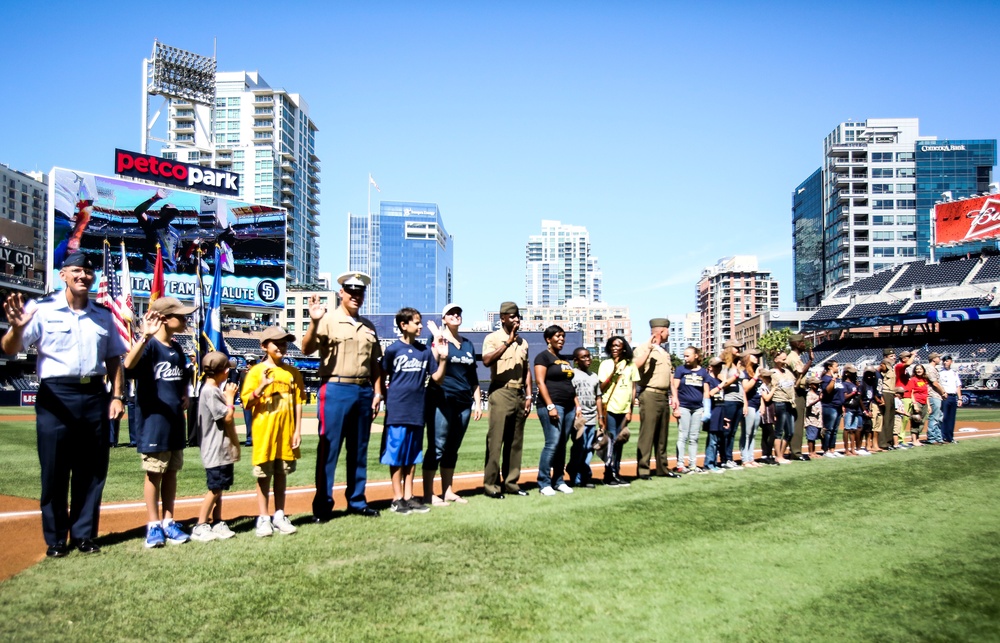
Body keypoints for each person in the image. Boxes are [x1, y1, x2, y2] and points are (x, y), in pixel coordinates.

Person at [1, 253, 126, 557]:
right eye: (77, 271)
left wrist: (117, 395)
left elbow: (114, 359)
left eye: (88, 272)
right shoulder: (41, 309)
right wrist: (16, 328)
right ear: (63, 275)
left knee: (92, 470)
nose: (83, 276)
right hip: (56, 395)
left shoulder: (103, 315)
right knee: (55, 469)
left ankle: (84, 535)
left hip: (95, 394)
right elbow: (10, 347)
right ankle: (56, 538)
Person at [304, 272, 385, 520]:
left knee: (359, 449)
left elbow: (375, 363)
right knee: (329, 448)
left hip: (363, 391)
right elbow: (307, 349)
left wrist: (378, 392)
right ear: (341, 293)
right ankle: (323, 505)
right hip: (336, 388)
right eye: (351, 292)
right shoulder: (327, 319)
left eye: (359, 293)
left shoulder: (369, 327)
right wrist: (314, 321)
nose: (355, 297)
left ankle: (357, 501)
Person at [124, 297, 196, 548]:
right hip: (154, 422)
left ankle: (168, 521)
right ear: (164, 318)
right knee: (154, 473)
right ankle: (153, 525)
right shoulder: (150, 346)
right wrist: (144, 337)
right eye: (182, 316)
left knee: (172, 472)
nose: (186, 320)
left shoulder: (176, 349)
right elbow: (127, 365)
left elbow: (182, 376)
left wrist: (185, 393)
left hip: (175, 421)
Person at [380, 308, 447, 514]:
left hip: (417, 409)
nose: (420, 326)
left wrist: (443, 358)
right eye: (416, 323)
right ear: (403, 325)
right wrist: (384, 397)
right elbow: (382, 375)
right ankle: (396, 497)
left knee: (412, 454)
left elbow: (437, 378)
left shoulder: (424, 351)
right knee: (397, 454)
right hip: (398, 409)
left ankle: (409, 496)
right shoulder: (393, 350)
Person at [242, 326, 304, 536]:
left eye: (284, 342)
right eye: (276, 343)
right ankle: (263, 517)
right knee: (264, 475)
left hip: (286, 432)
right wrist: (261, 387)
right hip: (264, 432)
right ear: (264, 346)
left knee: (281, 473)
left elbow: (298, 402)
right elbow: (246, 402)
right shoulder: (256, 371)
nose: (281, 346)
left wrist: (297, 430)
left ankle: (279, 514)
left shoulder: (292, 372)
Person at [423, 304, 482, 506]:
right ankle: (428, 493)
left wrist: (478, 402)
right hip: (441, 398)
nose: (456, 316)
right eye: (451, 314)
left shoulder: (468, 344)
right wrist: (438, 339)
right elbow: (433, 364)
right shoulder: (436, 339)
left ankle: (447, 491)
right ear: (444, 318)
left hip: (464, 401)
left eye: (458, 313)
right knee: (437, 446)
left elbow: (473, 376)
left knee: (452, 448)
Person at [480, 302, 533, 499]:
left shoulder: (524, 342)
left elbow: (526, 370)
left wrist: (528, 395)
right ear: (502, 318)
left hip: (519, 394)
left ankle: (511, 482)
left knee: (515, 441)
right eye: (512, 316)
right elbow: (486, 361)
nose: (516, 319)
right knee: (496, 440)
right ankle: (491, 485)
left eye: (518, 316)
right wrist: (508, 342)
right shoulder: (492, 338)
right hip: (501, 391)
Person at [191, 351, 241, 542]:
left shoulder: (211, 389)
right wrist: (230, 398)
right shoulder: (211, 391)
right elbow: (227, 417)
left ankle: (217, 521)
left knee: (220, 487)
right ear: (224, 371)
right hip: (215, 448)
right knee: (215, 488)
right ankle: (201, 524)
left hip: (220, 448)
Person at [632, 319, 681, 479]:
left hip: (663, 395)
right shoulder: (642, 348)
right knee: (647, 434)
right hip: (650, 393)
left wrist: (674, 396)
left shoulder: (664, 352)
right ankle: (643, 470)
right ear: (660, 332)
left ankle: (663, 468)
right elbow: (636, 367)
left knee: (662, 435)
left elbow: (670, 376)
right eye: (667, 331)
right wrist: (648, 348)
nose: (669, 334)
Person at [534, 325, 579, 496]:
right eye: (558, 336)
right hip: (552, 405)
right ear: (548, 339)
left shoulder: (564, 359)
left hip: (569, 406)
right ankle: (544, 482)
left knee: (562, 444)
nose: (561, 339)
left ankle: (558, 480)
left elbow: (570, 384)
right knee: (552, 443)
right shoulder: (542, 357)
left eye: (563, 336)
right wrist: (551, 406)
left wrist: (577, 404)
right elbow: (540, 382)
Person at [597, 336, 639, 485]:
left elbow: (633, 388)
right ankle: (608, 474)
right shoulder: (605, 364)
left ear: (624, 348)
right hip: (609, 407)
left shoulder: (630, 365)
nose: (615, 348)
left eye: (618, 346)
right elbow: (600, 388)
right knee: (611, 440)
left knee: (619, 441)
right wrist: (613, 373)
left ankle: (616, 471)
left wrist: (630, 410)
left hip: (624, 408)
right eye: (612, 346)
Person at [671, 346, 709, 473]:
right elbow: (674, 388)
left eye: (688, 355)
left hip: (698, 408)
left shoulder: (703, 372)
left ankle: (693, 465)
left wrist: (706, 409)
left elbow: (705, 391)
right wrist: (675, 406)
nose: (685, 358)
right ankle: (680, 464)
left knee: (694, 437)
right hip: (684, 406)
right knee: (683, 436)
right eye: (684, 356)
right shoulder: (680, 370)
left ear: (696, 356)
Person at [569, 347, 603, 487]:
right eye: (584, 357)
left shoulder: (594, 376)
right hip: (579, 418)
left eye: (589, 356)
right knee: (579, 448)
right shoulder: (572, 374)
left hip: (592, 417)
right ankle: (576, 477)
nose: (588, 359)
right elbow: (571, 394)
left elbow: (598, 398)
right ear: (576, 361)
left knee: (589, 449)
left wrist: (600, 417)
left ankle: (583, 475)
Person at [786, 334, 814, 461]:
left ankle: (796, 450)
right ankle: (796, 452)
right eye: (802, 342)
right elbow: (800, 372)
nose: (804, 344)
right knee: (797, 423)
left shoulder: (796, 356)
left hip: (800, 391)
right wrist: (810, 360)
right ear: (796, 344)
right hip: (796, 392)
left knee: (798, 423)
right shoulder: (792, 357)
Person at [770, 352, 797, 464]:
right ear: (776, 359)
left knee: (790, 432)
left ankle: (781, 454)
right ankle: (778, 456)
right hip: (779, 402)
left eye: (786, 359)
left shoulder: (788, 372)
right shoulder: (772, 372)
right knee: (779, 431)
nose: (785, 361)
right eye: (782, 359)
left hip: (789, 403)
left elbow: (795, 383)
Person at [701, 357, 727, 473]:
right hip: (713, 412)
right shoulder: (708, 380)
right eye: (716, 366)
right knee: (713, 440)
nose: (719, 368)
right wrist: (721, 385)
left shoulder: (718, 380)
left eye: (720, 366)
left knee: (717, 440)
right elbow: (709, 394)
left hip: (720, 411)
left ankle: (713, 462)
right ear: (710, 367)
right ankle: (709, 464)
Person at [739, 351, 764, 467]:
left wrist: (762, 404)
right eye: (755, 356)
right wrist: (756, 376)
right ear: (747, 357)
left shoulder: (755, 371)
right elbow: (746, 388)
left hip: (757, 404)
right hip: (748, 404)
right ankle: (745, 459)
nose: (757, 358)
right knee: (747, 433)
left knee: (753, 433)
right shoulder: (744, 372)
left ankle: (751, 458)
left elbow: (760, 390)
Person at [819, 360, 845, 458]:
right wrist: (833, 379)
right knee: (828, 429)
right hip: (829, 406)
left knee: (834, 430)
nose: (837, 368)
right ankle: (826, 450)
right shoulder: (826, 378)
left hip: (838, 406)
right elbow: (828, 391)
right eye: (836, 366)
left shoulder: (837, 378)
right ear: (830, 367)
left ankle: (832, 450)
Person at [923, 353, 946, 445]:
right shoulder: (930, 368)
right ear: (933, 359)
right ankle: (932, 438)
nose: (940, 359)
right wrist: (943, 392)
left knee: (939, 417)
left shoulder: (934, 369)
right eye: (938, 357)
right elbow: (935, 383)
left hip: (937, 395)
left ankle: (938, 437)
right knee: (934, 417)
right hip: (933, 395)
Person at [939, 355, 962, 443]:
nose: (945, 362)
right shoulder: (941, 373)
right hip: (945, 396)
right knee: (944, 417)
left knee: (951, 418)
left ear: (951, 362)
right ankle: (943, 436)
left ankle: (950, 437)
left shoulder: (954, 373)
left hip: (953, 397)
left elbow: (958, 386)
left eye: (947, 361)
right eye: (944, 361)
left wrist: (959, 398)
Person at [906, 364, 930, 447]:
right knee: (916, 421)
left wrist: (929, 405)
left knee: (922, 422)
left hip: (924, 402)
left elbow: (926, 394)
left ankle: (917, 439)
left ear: (923, 370)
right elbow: (911, 392)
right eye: (917, 369)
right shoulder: (913, 380)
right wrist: (915, 404)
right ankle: (914, 440)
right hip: (917, 401)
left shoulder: (924, 380)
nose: (919, 370)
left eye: (920, 369)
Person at [757, 369, 777, 464]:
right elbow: (766, 398)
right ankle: (768, 454)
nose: (769, 378)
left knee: (765, 434)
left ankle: (765, 454)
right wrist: (773, 389)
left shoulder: (767, 386)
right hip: (766, 413)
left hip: (770, 412)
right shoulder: (763, 387)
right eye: (767, 377)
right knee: (771, 434)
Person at [879, 349, 897, 451]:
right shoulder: (884, 365)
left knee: (890, 419)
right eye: (891, 356)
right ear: (886, 357)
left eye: (894, 356)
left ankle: (889, 442)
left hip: (891, 393)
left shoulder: (891, 367)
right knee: (886, 419)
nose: (894, 357)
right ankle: (883, 443)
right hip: (885, 392)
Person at [841, 365, 861, 456]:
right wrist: (853, 393)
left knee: (853, 429)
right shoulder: (844, 384)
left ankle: (852, 449)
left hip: (855, 409)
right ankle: (846, 450)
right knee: (847, 429)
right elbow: (845, 397)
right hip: (848, 408)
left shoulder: (853, 384)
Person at [241, 354, 258, 447]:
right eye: (247, 362)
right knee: (248, 420)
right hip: (247, 400)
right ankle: (249, 439)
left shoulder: (260, 373)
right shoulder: (243, 373)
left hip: (257, 400)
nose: (248, 365)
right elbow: (241, 387)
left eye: (250, 363)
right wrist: (240, 401)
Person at [804, 377, 824, 460]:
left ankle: (814, 451)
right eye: (816, 384)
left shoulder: (817, 393)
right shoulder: (809, 394)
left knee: (815, 436)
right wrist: (818, 399)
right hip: (811, 418)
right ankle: (810, 452)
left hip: (817, 419)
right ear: (811, 385)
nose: (818, 385)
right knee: (811, 437)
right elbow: (808, 405)